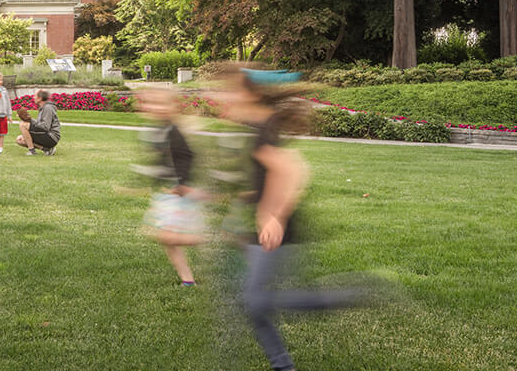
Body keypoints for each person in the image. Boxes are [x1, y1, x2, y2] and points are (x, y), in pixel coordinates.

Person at [219, 67, 357, 371]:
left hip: (275, 230)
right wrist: (246, 199)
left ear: (250, 96)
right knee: (253, 304)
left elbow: (294, 171)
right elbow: (268, 174)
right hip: (262, 228)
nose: (223, 98)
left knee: (256, 303)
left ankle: (340, 297)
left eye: (230, 92)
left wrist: (273, 217)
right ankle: (283, 365)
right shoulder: (259, 127)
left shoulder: (263, 132)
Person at [136, 87, 203, 286]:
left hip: (178, 193)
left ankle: (210, 239)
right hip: (166, 192)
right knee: (166, 240)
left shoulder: (174, 131)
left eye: (160, 103)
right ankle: (187, 280)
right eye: (151, 103)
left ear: (171, 107)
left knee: (166, 236)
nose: (154, 107)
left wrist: (182, 185)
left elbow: (188, 157)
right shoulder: (160, 129)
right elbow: (161, 161)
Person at [16, 88, 60, 155]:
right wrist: (27, 119)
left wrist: (29, 120)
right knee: (20, 140)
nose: (33, 97)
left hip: (51, 137)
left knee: (23, 125)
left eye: (35, 96)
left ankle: (32, 151)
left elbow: (45, 127)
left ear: (40, 98)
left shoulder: (48, 108)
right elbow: (41, 125)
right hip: (46, 134)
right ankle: (46, 149)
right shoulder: (43, 107)